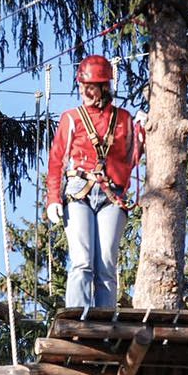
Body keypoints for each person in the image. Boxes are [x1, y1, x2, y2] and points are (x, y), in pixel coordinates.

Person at [46, 54, 142, 308]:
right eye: (82, 86)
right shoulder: (71, 118)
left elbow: (131, 160)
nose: (84, 92)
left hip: (112, 195)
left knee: (106, 267)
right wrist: (53, 198)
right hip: (80, 191)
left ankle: (105, 320)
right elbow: (56, 160)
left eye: (89, 87)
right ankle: (77, 317)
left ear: (104, 88)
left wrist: (142, 134)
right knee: (82, 261)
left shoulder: (123, 119)